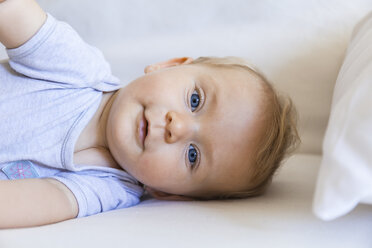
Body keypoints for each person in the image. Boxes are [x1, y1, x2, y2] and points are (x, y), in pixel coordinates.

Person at [0, 0, 299, 228]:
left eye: (193, 155)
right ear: (169, 65)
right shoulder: (82, 71)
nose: (177, 127)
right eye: (195, 100)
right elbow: (14, 14)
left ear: (171, 194)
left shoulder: (108, 189)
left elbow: (32, 202)